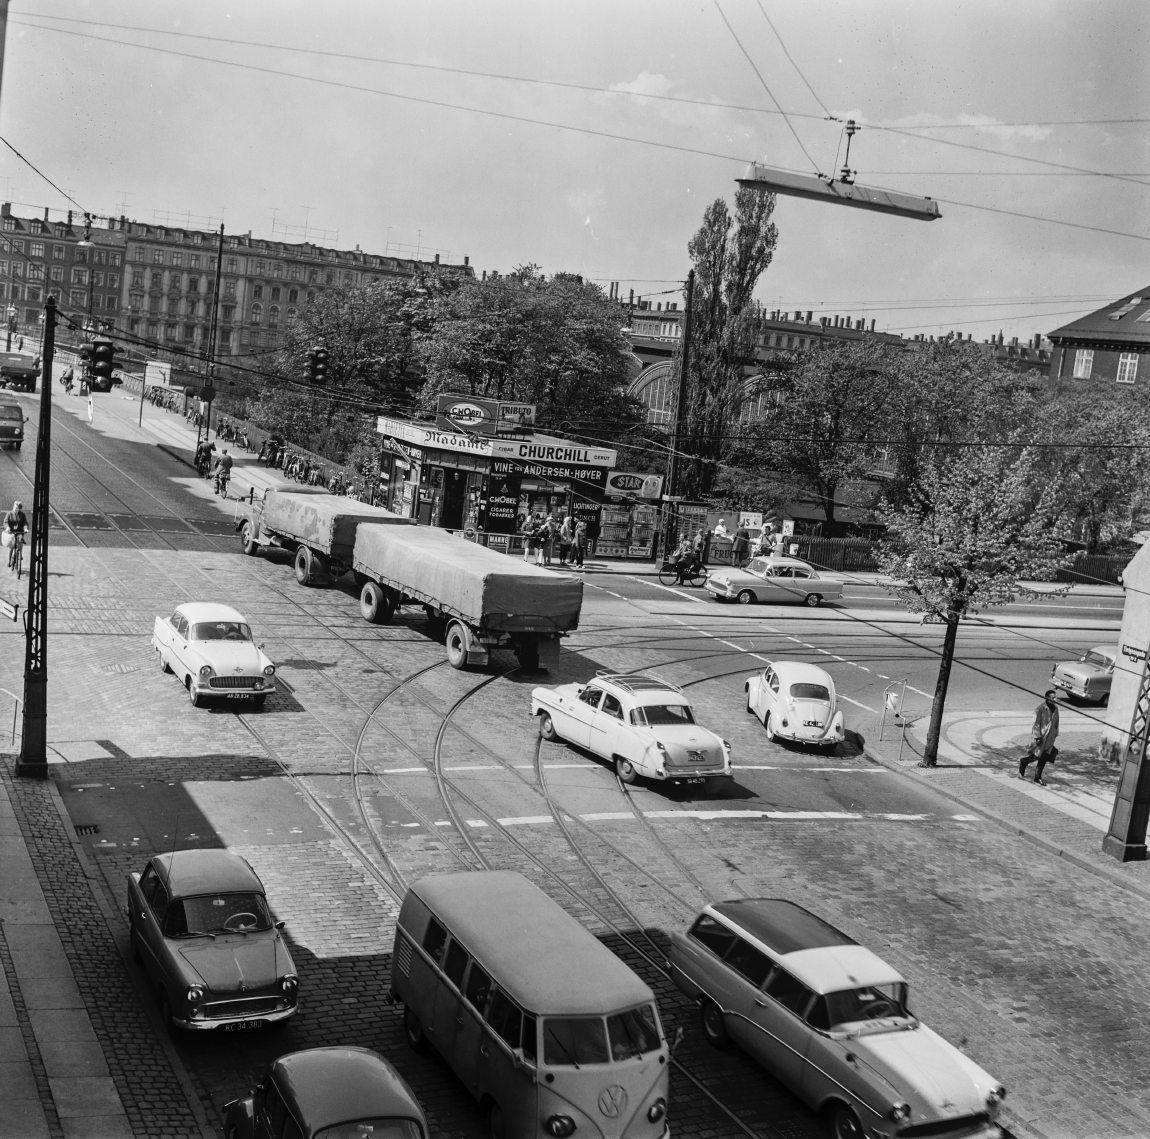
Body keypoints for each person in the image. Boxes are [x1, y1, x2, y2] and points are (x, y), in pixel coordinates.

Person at [1019, 690, 1060, 785]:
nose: (1054, 699)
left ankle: (1037, 778)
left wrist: (1055, 734)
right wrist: (1038, 737)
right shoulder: (1040, 709)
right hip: (1041, 738)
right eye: (1052, 697)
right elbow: (1036, 724)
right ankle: (1023, 762)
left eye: (1055, 697)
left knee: (1044, 759)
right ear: (1047, 698)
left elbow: (1056, 723)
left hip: (1050, 738)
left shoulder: (1056, 708)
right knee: (1035, 757)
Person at [3, 500, 27, 570]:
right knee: (12, 547)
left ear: (20, 508)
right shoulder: (9, 513)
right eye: (15, 507)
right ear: (13, 506)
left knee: (20, 542)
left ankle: (19, 554)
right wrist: (7, 527)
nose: (16, 509)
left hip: (19, 531)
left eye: (18, 508)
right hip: (11, 532)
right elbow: (5, 522)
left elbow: (25, 523)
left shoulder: (22, 514)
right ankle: (10, 561)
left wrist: (25, 528)